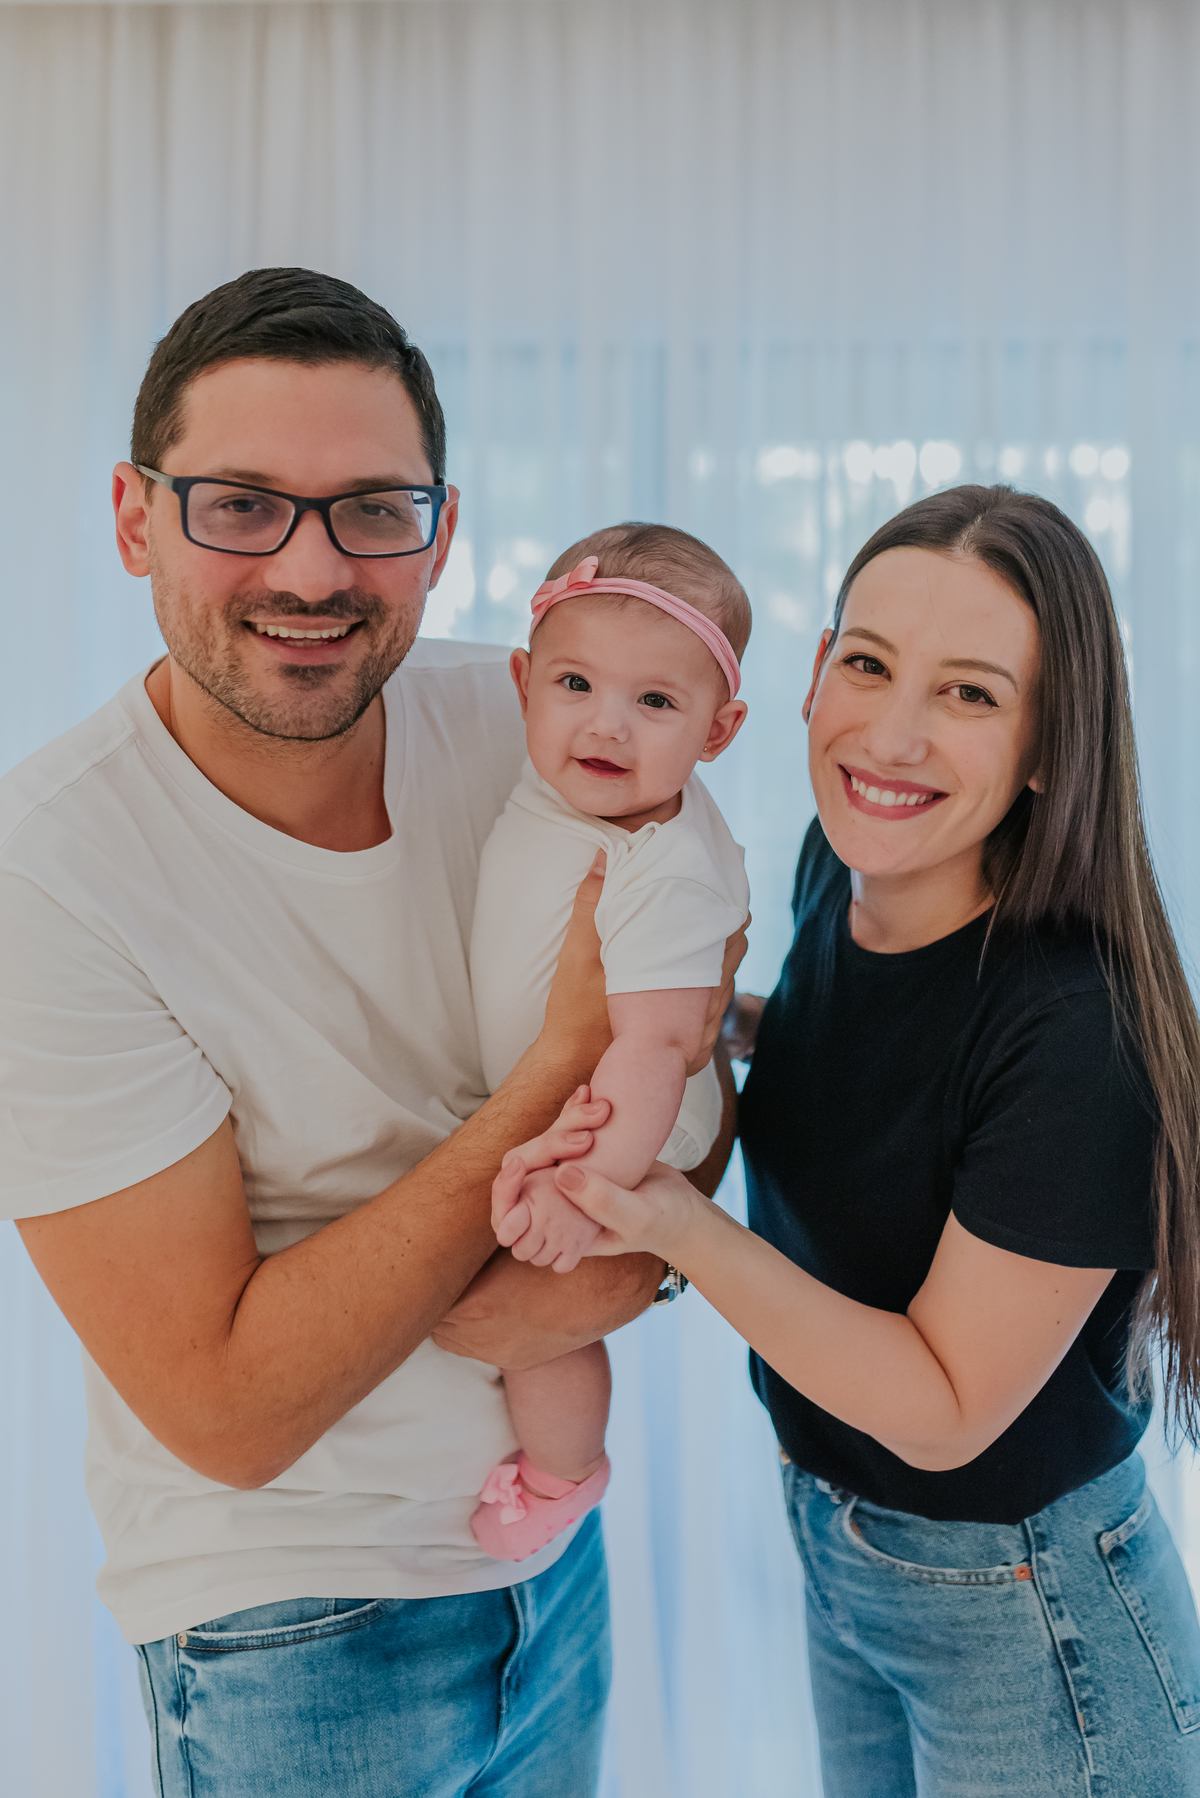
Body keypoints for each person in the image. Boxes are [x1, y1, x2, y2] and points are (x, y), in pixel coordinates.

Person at [0, 266, 744, 1798]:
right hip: (296, 1632)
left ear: (442, 535)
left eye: (372, 512)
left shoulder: (546, 720)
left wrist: (638, 1260)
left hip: (551, 1576)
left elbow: (701, 1026)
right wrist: (550, 1073)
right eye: (241, 504)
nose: (313, 567)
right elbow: (228, 1408)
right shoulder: (52, 879)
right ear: (136, 518)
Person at [512, 485, 1200, 1795]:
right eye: (869, 662)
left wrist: (666, 1215)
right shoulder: (850, 872)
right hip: (844, 1540)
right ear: (816, 670)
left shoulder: (1073, 1031)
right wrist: (715, 1024)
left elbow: (944, 1409)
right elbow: (874, 1073)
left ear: (1051, 744)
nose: (891, 729)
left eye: (970, 693)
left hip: (1023, 1602)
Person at [467, 524, 750, 1561]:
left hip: (628, 1121)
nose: (607, 725)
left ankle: (563, 1472)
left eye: (657, 704)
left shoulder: (666, 864)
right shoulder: (568, 788)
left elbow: (660, 1045)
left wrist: (587, 1191)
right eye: (576, 683)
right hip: (577, 1091)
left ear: (718, 732)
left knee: (548, 1320)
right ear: (523, 681)